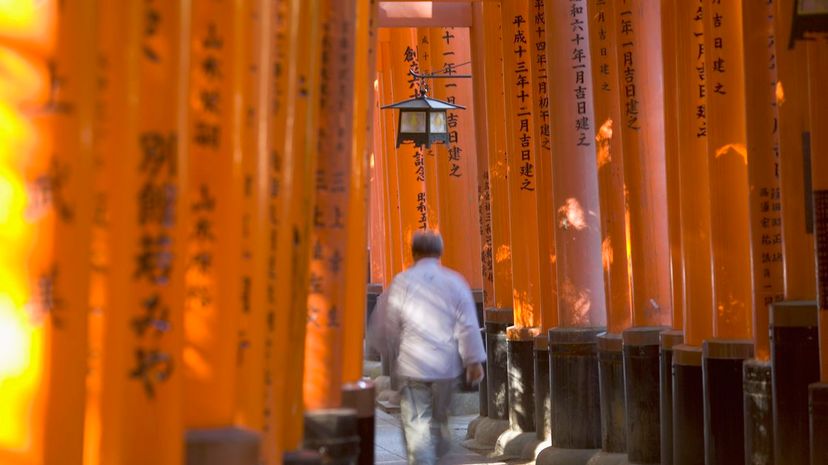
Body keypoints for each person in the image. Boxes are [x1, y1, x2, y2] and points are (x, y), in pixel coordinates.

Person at [380, 230, 486, 465]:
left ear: (413, 253)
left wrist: (394, 354)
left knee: (418, 425)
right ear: (440, 252)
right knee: (440, 423)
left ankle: (424, 460)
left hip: (413, 365)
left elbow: (391, 326)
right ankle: (438, 457)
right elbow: (467, 324)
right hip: (446, 367)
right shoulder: (454, 281)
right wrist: (473, 361)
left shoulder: (402, 281)